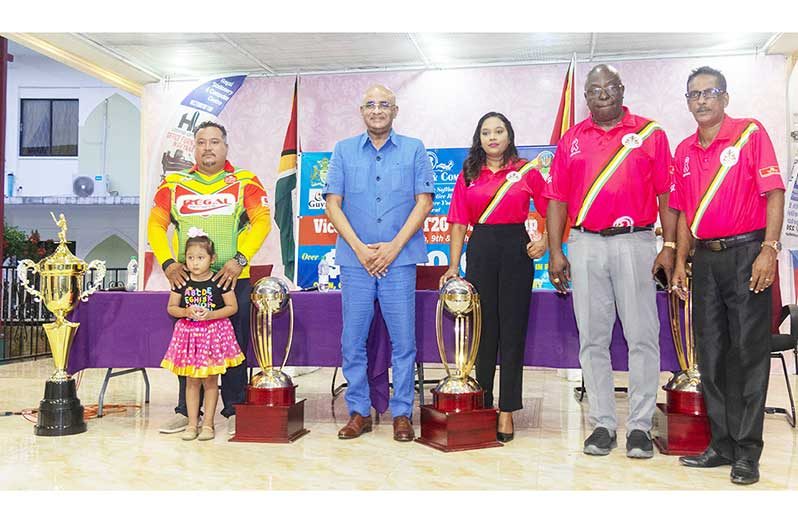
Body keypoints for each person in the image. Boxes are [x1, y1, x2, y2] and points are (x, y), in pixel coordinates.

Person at [545, 64, 677, 458]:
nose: (602, 94)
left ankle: (638, 426)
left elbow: (667, 194)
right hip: (585, 244)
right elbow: (557, 199)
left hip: (635, 242)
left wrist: (669, 245)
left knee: (641, 336)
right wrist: (556, 250)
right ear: (585, 97)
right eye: (594, 89)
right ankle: (602, 424)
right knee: (593, 339)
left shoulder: (651, 134)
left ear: (622, 89)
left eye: (609, 87)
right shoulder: (571, 139)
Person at [671, 66, 784, 485]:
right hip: (705, 261)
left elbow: (774, 193)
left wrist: (768, 250)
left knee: (748, 355)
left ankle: (747, 452)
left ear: (725, 97)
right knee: (711, 354)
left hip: (747, 255)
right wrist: (681, 261)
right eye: (693, 94)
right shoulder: (683, 151)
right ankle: (721, 444)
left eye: (709, 92)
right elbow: (683, 213)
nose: (701, 100)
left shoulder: (749, 134)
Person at [323, 84, 434, 442]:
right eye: (370, 104)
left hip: (399, 262)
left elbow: (424, 203)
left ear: (395, 111)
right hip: (355, 262)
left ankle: (402, 413)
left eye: (384, 104)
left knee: (404, 342)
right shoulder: (342, 151)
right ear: (361, 111)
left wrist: (392, 249)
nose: (376, 110)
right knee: (352, 341)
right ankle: (359, 410)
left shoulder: (415, 149)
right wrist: (359, 248)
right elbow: (332, 204)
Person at [148, 121, 271, 436]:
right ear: (194, 147)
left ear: (225, 147)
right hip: (188, 282)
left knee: (233, 347)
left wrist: (239, 260)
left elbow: (261, 221)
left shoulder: (244, 182)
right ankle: (186, 411)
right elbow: (156, 225)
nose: (208, 148)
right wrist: (167, 263)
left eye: (214, 142)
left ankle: (233, 409)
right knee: (188, 346)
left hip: (233, 280)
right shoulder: (174, 184)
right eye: (201, 142)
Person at [439, 112, 549, 442]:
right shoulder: (469, 173)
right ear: (479, 138)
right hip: (482, 248)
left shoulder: (526, 170)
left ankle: (507, 410)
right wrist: (453, 265)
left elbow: (552, 207)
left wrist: (543, 239)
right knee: (483, 332)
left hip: (516, 248)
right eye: (486, 132)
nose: (492, 137)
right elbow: (458, 222)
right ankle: (484, 403)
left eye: (498, 131)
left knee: (513, 332)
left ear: (509, 135)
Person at [161, 230, 244, 441]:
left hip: (213, 336)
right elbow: (171, 307)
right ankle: (191, 423)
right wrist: (185, 312)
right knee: (191, 381)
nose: (195, 263)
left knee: (210, 380)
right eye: (190, 258)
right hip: (190, 338)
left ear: (212, 259)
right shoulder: (182, 281)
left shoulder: (219, 280)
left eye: (200, 258)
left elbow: (232, 307)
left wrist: (212, 315)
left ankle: (208, 424)